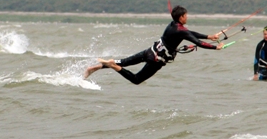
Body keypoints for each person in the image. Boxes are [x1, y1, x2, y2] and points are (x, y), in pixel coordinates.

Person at [84, 5, 224, 85]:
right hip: (155, 60)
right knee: (136, 79)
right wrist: (215, 47)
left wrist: (209, 36)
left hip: (149, 51)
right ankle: (114, 66)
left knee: (125, 62)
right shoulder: (182, 31)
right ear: (181, 17)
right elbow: (198, 42)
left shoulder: (173, 25)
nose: (187, 17)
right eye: (186, 15)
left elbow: (190, 33)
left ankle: (95, 67)